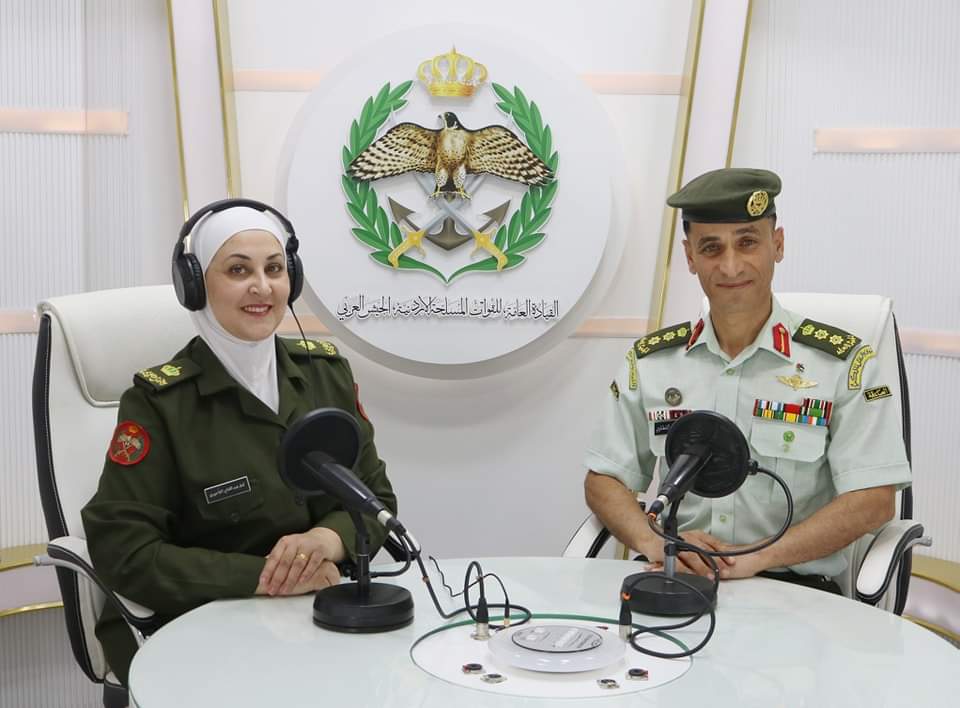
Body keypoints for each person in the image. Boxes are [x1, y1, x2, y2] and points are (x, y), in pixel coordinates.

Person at [82, 201, 397, 683]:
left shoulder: (326, 374)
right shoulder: (159, 403)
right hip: (199, 625)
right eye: (237, 270)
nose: (262, 287)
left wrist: (327, 540)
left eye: (274, 269)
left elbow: (376, 499)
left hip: (317, 618)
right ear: (195, 286)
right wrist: (266, 577)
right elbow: (125, 551)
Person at [583, 168, 911, 594]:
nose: (731, 265)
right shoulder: (651, 362)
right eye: (711, 248)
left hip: (795, 590)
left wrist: (757, 556)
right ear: (689, 257)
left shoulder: (843, 364)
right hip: (678, 576)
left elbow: (873, 500)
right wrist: (653, 541)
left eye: (748, 242)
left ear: (778, 245)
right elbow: (604, 479)